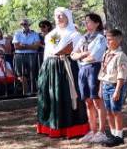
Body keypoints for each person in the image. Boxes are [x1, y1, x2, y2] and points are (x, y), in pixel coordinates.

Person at [36, 7, 89, 138]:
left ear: (67, 17)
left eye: (61, 15)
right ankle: (52, 127)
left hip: (67, 67)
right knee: (52, 96)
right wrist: (44, 69)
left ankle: (71, 129)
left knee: (67, 96)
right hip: (50, 67)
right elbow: (48, 52)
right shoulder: (51, 35)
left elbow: (76, 52)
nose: (58, 17)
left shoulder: (74, 34)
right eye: (56, 15)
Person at [70, 13, 109, 144]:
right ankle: (92, 130)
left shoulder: (100, 38)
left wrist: (82, 56)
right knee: (88, 101)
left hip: (94, 69)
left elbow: (95, 56)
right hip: (82, 70)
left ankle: (101, 131)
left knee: (97, 101)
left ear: (97, 23)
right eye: (85, 21)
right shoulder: (83, 38)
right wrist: (84, 54)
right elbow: (73, 55)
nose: (86, 24)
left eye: (88, 21)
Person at [98, 28, 127, 147]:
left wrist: (117, 90)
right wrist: (100, 87)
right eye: (106, 39)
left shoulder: (121, 56)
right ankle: (112, 135)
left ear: (118, 40)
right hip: (106, 85)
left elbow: (121, 75)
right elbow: (102, 72)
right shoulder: (106, 54)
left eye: (110, 39)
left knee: (116, 111)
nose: (107, 41)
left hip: (115, 86)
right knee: (109, 112)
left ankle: (119, 136)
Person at [12, 18, 42, 95]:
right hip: (19, 56)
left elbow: (36, 47)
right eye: (22, 24)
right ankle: (26, 92)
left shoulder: (35, 34)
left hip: (31, 55)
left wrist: (23, 45)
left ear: (29, 25)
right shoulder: (17, 33)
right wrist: (30, 45)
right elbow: (16, 46)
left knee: (32, 73)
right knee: (21, 74)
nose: (24, 25)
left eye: (25, 24)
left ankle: (33, 91)